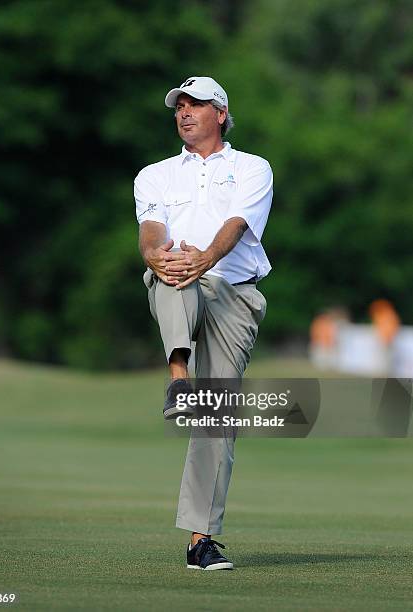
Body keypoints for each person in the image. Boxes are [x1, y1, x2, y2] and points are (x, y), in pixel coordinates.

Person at [134, 76, 273, 570]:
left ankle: (200, 541)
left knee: (218, 417)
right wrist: (156, 256)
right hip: (178, 283)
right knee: (173, 274)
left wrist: (205, 258)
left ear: (221, 112)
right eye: (180, 106)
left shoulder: (252, 168)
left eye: (196, 105)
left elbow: (236, 226)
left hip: (233, 294)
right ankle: (178, 378)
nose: (185, 112)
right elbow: (151, 231)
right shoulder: (155, 174)